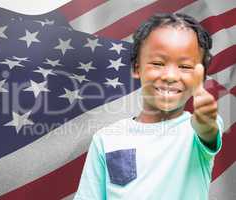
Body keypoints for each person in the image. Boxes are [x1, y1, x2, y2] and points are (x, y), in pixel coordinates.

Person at [73, 13, 223, 200]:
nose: (170, 75)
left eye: (185, 66)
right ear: (137, 68)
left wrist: (205, 123)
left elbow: (208, 132)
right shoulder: (106, 139)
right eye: (158, 63)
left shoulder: (198, 130)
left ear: (200, 75)